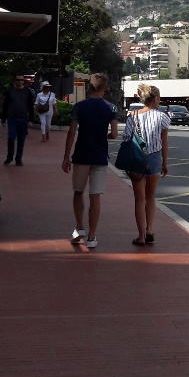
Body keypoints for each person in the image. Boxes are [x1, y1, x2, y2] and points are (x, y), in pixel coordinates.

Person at [61, 73, 119, 249]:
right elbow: (114, 134)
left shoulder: (79, 107)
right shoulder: (111, 108)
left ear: (89, 87)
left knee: (78, 191)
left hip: (81, 155)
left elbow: (72, 133)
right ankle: (92, 236)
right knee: (95, 196)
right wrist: (104, 136)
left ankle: (79, 227)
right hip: (100, 156)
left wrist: (66, 157)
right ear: (105, 88)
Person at [127, 83, 170, 247]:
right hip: (154, 158)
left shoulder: (132, 116)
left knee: (139, 199)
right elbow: (164, 142)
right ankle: (150, 229)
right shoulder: (162, 117)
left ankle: (141, 236)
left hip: (137, 158)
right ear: (156, 98)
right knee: (151, 196)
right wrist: (165, 162)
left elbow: (126, 139)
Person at [0, 75, 35, 166]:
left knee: (21, 140)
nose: (20, 81)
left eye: (22, 80)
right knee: (11, 137)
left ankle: (18, 159)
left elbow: (30, 106)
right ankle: (9, 157)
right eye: (18, 80)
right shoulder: (10, 91)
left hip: (23, 118)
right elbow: (5, 105)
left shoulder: (27, 92)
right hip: (12, 117)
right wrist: (3, 119)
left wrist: (31, 120)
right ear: (14, 81)